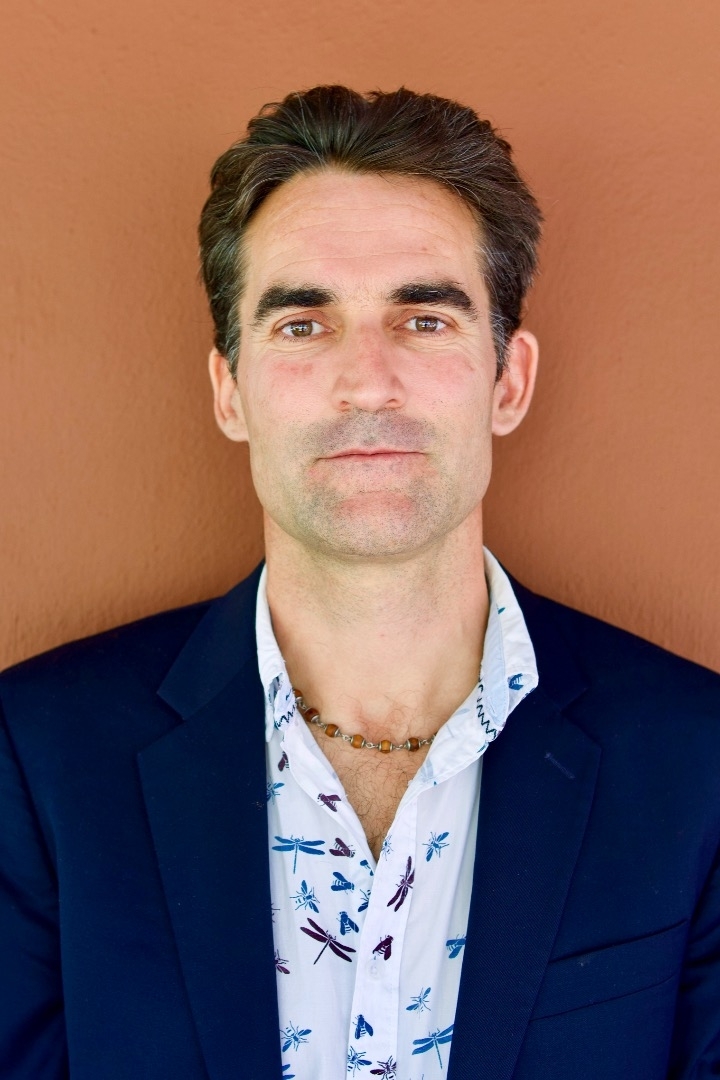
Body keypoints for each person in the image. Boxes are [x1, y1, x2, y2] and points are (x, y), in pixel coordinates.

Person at [1, 85, 719, 1080]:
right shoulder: (36, 759)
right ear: (230, 390)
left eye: (424, 319)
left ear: (508, 381)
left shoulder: (697, 764)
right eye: (303, 325)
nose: (368, 381)